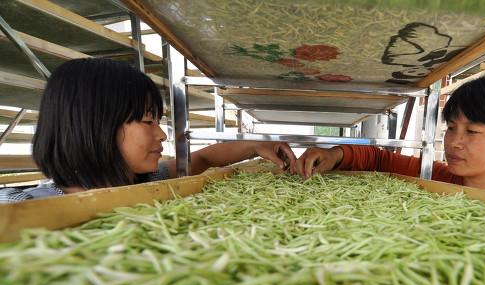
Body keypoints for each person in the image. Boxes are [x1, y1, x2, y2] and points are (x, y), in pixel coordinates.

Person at [0, 58, 296, 203]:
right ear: (95, 127)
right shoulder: (21, 205)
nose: (163, 135)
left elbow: (204, 159)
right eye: (147, 121)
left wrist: (257, 145)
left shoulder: (143, 181)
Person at [292, 71, 485, 199]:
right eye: (451, 128)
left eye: (472, 131)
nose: (454, 142)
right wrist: (334, 153)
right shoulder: (438, 177)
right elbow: (380, 160)